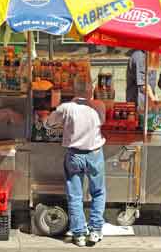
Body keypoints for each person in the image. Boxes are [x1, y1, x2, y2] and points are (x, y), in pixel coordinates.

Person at [46, 88, 106, 247]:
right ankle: (95, 230)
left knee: (75, 195)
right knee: (98, 192)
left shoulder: (67, 107)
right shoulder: (99, 106)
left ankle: (79, 234)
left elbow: (49, 122)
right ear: (90, 92)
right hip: (95, 154)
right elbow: (102, 123)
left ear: (74, 92)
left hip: (75, 155)